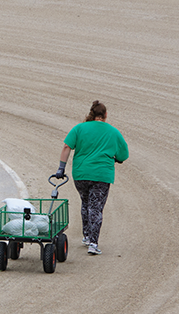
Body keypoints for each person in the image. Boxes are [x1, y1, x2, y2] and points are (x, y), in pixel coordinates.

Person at [55, 99, 129, 255]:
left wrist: (61, 168)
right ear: (106, 115)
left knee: (86, 202)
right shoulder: (113, 132)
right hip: (102, 175)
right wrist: (117, 158)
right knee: (96, 207)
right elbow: (123, 155)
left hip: (81, 174)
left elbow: (66, 146)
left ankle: (87, 235)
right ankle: (93, 243)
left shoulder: (79, 128)